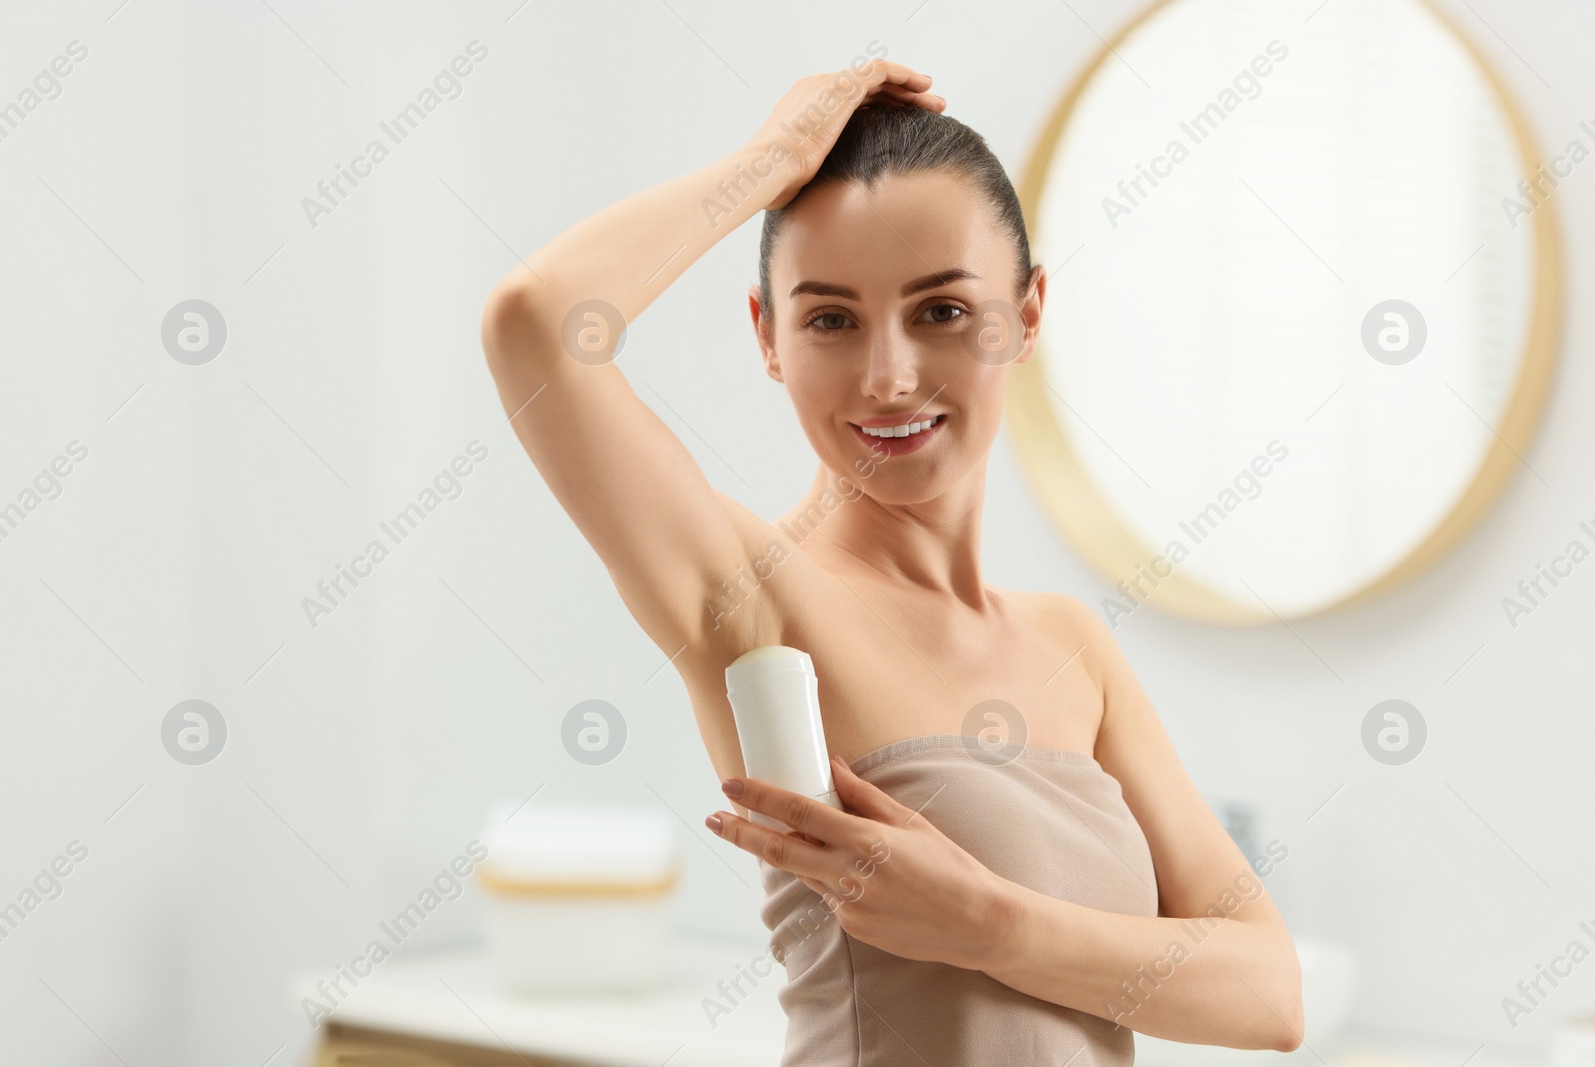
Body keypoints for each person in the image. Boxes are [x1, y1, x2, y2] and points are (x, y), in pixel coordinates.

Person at [480, 57, 1302, 1066]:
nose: (888, 375)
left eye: (941, 310)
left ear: (1026, 314)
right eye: (829, 318)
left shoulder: (1070, 645)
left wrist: (989, 921)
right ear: (767, 336)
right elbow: (536, 322)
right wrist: (768, 161)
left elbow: (1269, 994)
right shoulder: (757, 597)